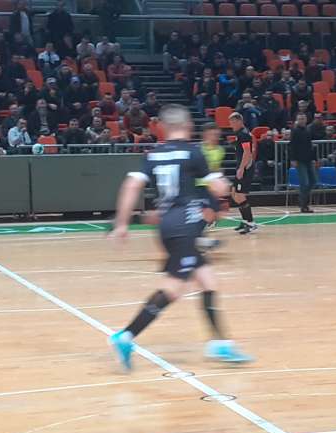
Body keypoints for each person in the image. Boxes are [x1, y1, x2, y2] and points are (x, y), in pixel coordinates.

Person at [108, 104, 252, 370]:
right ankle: (125, 336)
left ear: (162, 128)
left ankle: (220, 344)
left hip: (167, 225)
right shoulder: (193, 152)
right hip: (184, 226)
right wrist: (223, 185)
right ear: (187, 126)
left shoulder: (153, 155)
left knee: (208, 281)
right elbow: (219, 187)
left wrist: (122, 224)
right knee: (172, 289)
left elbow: (131, 184)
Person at [229, 113, 257, 234]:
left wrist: (241, 169)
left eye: (233, 122)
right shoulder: (240, 134)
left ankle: (251, 223)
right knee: (234, 193)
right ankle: (245, 221)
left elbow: (247, 152)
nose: (231, 125)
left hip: (245, 168)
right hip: (241, 167)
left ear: (239, 121)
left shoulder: (244, 134)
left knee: (240, 195)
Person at [289, 113, 315, 213]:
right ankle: (303, 205)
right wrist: (293, 159)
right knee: (304, 182)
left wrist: (314, 158)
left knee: (313, 181)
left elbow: (310, 145)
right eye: (300, 119)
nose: (302, 120)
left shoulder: (308, 130)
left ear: (306, 119)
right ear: (297, 120)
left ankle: (302, 199)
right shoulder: (295, 131)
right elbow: (292, 146)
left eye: (303, 118)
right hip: (299, 160)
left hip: (308, 159)